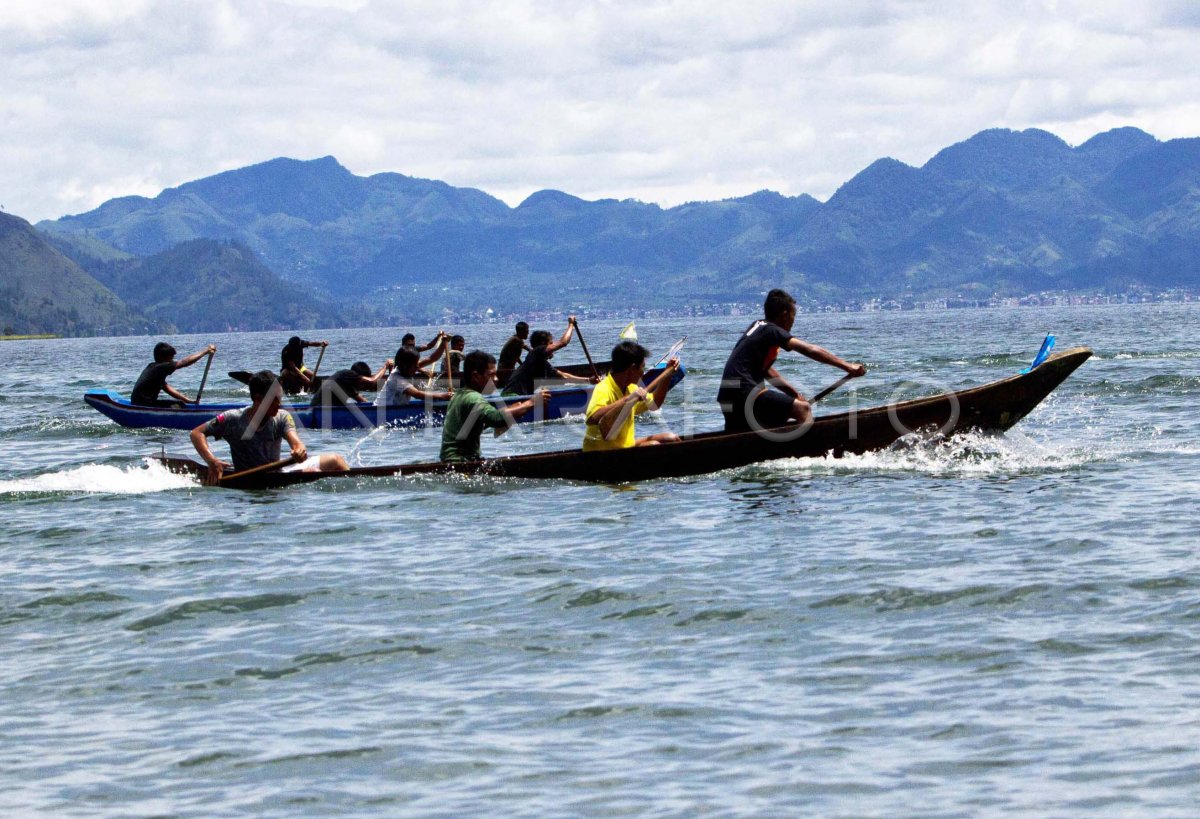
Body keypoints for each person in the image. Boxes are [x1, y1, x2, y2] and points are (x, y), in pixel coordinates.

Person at [717, 288, 865, 432]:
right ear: (784, 314)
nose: (793, 321)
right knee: (803, 410)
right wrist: (847, 366)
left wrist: (794, 394)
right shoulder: (771, 330)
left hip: (727, 396)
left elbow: (768, 372)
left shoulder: (757, 327)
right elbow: (810, 350)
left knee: (763, 426)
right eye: (793, 315)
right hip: (745, 392)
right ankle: (813, 454)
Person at [190, 370, 348, 484]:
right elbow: (196, 433)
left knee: (336, 460)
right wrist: (211, 461)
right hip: (248, 479)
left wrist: (299, 449)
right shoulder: (232, 418)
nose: (279, 404)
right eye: (274, 400)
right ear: (258, 399)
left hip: (278, 474)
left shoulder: (282, 416)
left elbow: (296, 442)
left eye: (280, 398)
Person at [440, 350, 549, 463]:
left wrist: (514, 409)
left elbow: (478, 422)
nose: (496, 379)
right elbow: (496, 419)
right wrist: (531, 403)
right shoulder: (473, 398)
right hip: (461, 462)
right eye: (491, 375)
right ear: (476, 376)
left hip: (449, 461)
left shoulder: (459, 394)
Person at [583, 341, 683, 452]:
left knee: (671, 438)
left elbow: (655, 403)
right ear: (632, 368)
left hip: (626, 446)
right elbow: (592, 418)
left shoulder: (632, 388)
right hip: (603, 454)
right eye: (642, 368)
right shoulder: (604, 388)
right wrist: (628, 399)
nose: (643, 373)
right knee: (653, 446)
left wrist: (667, 375)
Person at [501, 317, 597, 396]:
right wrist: (571, 324)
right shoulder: (536, 352)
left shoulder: (541, 362)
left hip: (520, 396)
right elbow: (563, 342)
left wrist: (589, 380)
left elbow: (564, 376)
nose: (552, 346)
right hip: (512, 396)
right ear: (543, 345)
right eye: (550, 344)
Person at [131, 341, 216, 406]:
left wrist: (187, 400)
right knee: (179, 405)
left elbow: (167, 388)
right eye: (171, 359)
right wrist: (206, 351)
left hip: (138, 403)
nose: (172, 361)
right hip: (144, 404)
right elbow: (184, 362)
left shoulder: (154, 368)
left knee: (181, 403)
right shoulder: (161, 367)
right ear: (164, 358)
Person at [376, 347, 453, 406]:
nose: (417, 367)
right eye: (415, 365)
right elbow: (418, 394)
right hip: (381, 412)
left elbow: (431, 359)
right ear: (405, 365)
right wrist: (443, 396)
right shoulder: (397, 378)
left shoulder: (406, 368)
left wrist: (443, 344)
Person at [309, 359, 391, 409]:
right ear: (359, 376)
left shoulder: (347, 385)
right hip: (318, 410)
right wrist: (385, 366)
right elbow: (372, 381)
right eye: (362, 383)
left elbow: (363, 402)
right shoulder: (348, 374)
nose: (363, 386)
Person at [497, 321, 530, 386]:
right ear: (521, 332)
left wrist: (535, 351)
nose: (528, 333)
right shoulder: (516, 340)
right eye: (526, 331)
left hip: (504, 369)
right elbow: (516, 357)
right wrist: (523, 366)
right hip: (505, 371)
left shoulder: (516, 339)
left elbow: (525, 347)